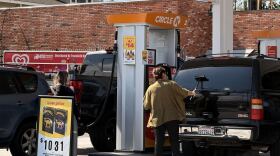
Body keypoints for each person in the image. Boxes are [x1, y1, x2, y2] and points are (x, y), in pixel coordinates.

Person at [143, 66, 195, 156]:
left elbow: (146, 106)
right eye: (165, 74)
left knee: (158, 143)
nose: (166, 75)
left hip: (157, 119)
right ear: (163, 75)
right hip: (172, 118)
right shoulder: (172, 84)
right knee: (174, 141)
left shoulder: (150, 88)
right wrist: (192, 92)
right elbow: (183, 92)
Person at [52, 71, 78, 156]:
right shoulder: (67, 90)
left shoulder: (54, 89)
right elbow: (74, 105)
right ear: (65, 79)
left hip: (56, 117)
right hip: (67, 117)